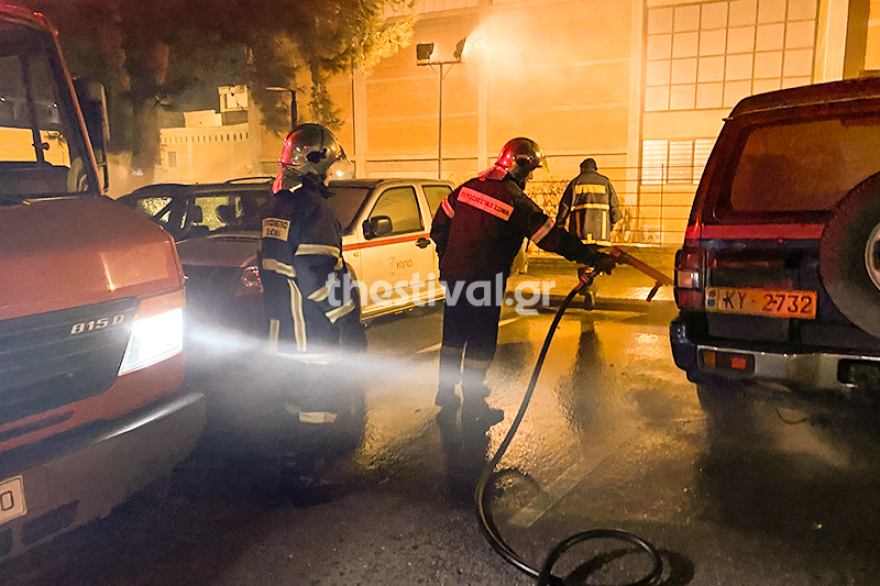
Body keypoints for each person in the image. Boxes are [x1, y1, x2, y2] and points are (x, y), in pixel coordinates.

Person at [430, 138, 615, 426]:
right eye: (530, 172)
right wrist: (591, 256)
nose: (530, 178)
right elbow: (551, 238)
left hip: (455, 277)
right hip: (484, 281)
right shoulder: (515, 201)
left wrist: (446, 257)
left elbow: (439, 223)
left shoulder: (466, 188)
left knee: (453, 337)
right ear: (518, 165)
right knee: (480, 343)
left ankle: (445, 393)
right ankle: (474, 404)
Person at [260, 123, 366, 498]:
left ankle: (288, 468)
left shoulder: (277, 203)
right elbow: (315, 271)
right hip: (311, 327)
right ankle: (306, 478)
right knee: (318, 401)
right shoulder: (314, 209)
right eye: (328, 166)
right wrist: (343, 319)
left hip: (282, 326)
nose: (330, 175)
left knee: (293, 400)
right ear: (313, 163)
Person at [555, 158, 621, 308]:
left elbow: (565, 205)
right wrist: (612, 222)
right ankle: (589, 289)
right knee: (596, 261)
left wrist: (560, 224)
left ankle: (588, 289)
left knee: (582, 260)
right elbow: (614, 206)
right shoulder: (605, 182)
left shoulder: (576, 182)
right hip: (601, 231)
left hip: (581, 229)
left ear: (582, 169)